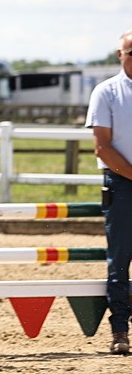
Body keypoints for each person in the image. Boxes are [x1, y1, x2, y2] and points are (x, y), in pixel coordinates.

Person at [86, 29, 132, 355]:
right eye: (131, 52)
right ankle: (120, 331)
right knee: (119, 261)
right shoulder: (107, 92)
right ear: (120, 54)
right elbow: (102, 147)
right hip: (121, 184)